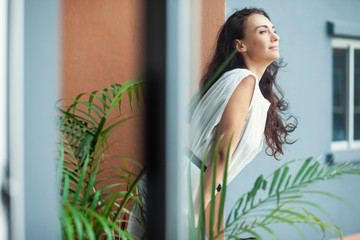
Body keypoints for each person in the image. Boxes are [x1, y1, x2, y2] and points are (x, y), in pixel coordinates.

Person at [188, 8, 297, 239]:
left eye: (274, 31)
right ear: (241, 45)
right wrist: (194, 217)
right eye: (263, 31)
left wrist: (217, 235)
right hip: (182, 193)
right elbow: (221, 155)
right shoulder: (243, 80)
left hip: (188, 188)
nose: (275, 37)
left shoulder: (247, 87)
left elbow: (218, 173)